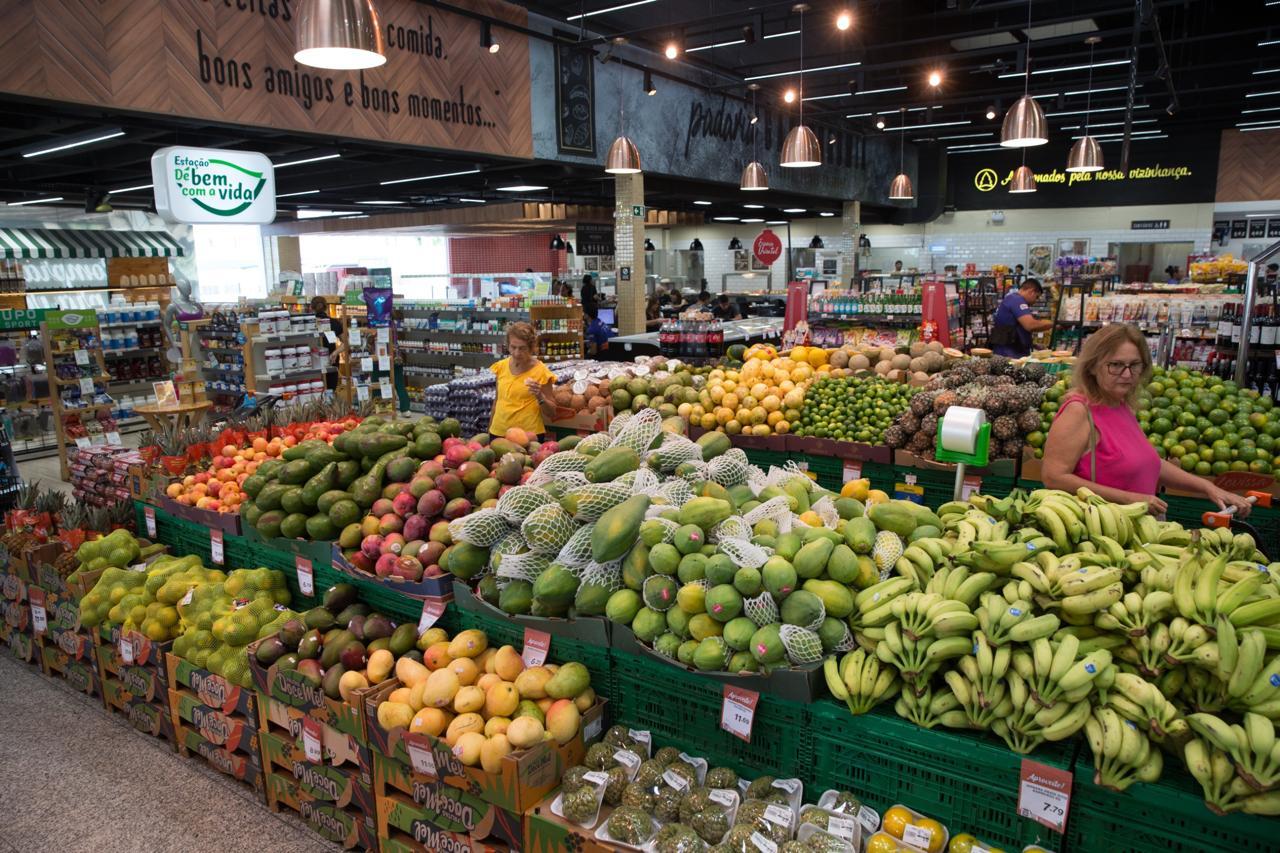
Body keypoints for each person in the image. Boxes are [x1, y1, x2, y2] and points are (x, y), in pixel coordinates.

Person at [1042, 324, 1250, 518]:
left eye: (1134, 365)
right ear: (1093, 367)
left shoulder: (1120, 405)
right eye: (1115, 365)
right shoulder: (1078, 411)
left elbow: (1148, 463)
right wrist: (1132, 500)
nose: (1127, 374)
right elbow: (1054, 477)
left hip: (1139, 529)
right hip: (1104, 531)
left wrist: (1208, 488)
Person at [489, 322, 557, 437]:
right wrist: (490, 430)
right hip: (499, 433)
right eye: (513, 347)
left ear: (531, 348)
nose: (516, 353)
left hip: (527, 436)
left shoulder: (541, 372)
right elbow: (497, 401)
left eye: (522, 348)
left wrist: (540, 396)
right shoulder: (500, 367)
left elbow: (552, 413)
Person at [991, 278, 1053, 358]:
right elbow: (1030, 325)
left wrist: (1031, 344)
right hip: (1009, 355)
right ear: (1031, 291)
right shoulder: (1016, 300)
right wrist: (1052, 324)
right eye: (1036, 297)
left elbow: (1015, 328)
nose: (1035, 301)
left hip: (1011, 351)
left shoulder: (1012, 299)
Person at [312, 296, 345, 392]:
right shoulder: (334, 323)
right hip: (331, 360)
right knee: (330, 390)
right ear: (326, 307)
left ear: (311, 308)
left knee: (316, 391)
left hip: (313, 361)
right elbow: (346, 343)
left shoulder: (309, 323)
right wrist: (335, 353)